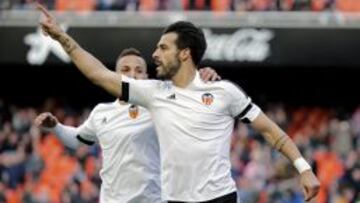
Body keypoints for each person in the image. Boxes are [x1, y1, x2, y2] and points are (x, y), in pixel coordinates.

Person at [37, 3, 320, 203]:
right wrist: (63, 38)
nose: (155, 53)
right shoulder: (153, 93)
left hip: (218, 198)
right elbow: (99, 74)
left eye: (163, 47)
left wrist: (304, 168)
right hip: (172, 200)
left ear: (184, 54)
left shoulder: (223, 92)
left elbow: (271, 131)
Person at [34, 47, 220, 203]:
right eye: (125, 69)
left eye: (139, 71)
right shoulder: (101, 113)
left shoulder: (160, 104)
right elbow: (76, 139)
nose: (132, 74)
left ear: (147, 76)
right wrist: (55, 127)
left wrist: (204, 81)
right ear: (115, 76)